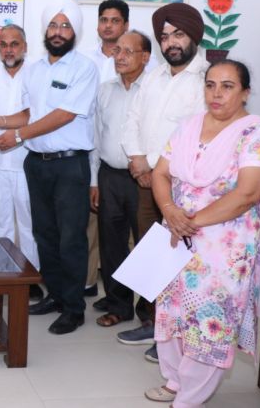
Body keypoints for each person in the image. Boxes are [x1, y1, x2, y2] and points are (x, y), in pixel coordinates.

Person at [143, 60, 260, 407]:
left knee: (210, 319)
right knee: (172, 312)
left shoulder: (257, 133)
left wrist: (191, 221)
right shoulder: (188, 126)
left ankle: (191, 396)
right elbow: (160, 173)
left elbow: (248, 193)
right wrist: (171, 213)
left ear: (245, 92)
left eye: (228, 86)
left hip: (223, 247)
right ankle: (175, 380)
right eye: (210, 85)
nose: (216, 93)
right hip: (177, 235)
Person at [0, 0, 98, 334]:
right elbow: (29, 114)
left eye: (65, 26)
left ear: (75, 32)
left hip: (69, 166)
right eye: (53, 26)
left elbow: (64, 115)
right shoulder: (35, 70)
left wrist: (15, 135)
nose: (58, 32)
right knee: (44, 235)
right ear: (45, 31)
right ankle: (56, 296)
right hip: (37, 164)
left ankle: (73, 308)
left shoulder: (83, 68)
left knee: (70, 238)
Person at [119, 2, 211, 361]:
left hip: (185, 188)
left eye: (178, 34)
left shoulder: (208, 77)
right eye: (164, 36)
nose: (171, 42)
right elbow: (133, 117)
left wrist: (156, 167)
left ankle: (177, 337)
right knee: (153, 256)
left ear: (194, 36)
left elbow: (203, 135)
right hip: (147, 182)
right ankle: (156, 324)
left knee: (183, 262)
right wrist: (137, 158)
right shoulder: (155, 76)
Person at [89, 30, 150, 327]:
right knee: (112, 244)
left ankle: (150, 314)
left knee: (148, 245)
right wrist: (94, 180)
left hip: (144, 179)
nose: (120, 56)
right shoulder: (105, 90)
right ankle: (119, 304)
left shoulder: (154, 90)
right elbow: (97, 137)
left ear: (146, 57)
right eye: (117, 51)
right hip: (109, 175)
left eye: (128, 51)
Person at [0, 24, 42, 301]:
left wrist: (0, 121)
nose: (9, 49)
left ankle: (29, 279)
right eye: (3, 44)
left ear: (25, 46)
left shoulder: (38, 74)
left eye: (14, 44)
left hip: (28, 160)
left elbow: (35, 114)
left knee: (29, 225)